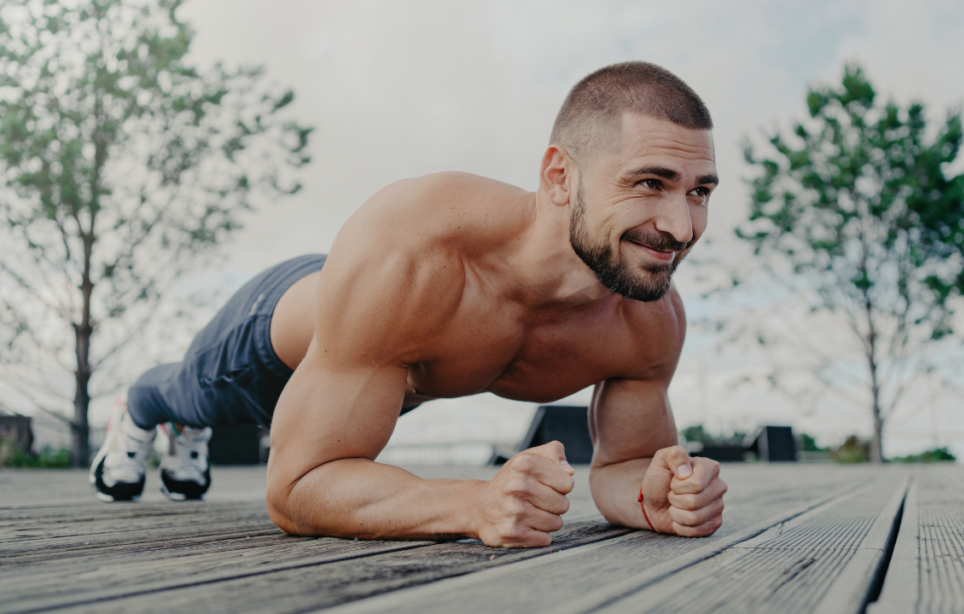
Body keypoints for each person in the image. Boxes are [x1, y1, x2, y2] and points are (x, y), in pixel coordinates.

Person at [91, 61, 728, 548]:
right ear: (561, 177)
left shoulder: (647, 315)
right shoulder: (416, 248)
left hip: (376, 355)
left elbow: (623, 465)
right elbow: (296, 488)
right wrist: (475, 504)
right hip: (278, 338)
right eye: (650, 183)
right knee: (187, 394)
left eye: (699, 192)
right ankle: (145, 409)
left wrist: (655, 498)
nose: (680, 226)